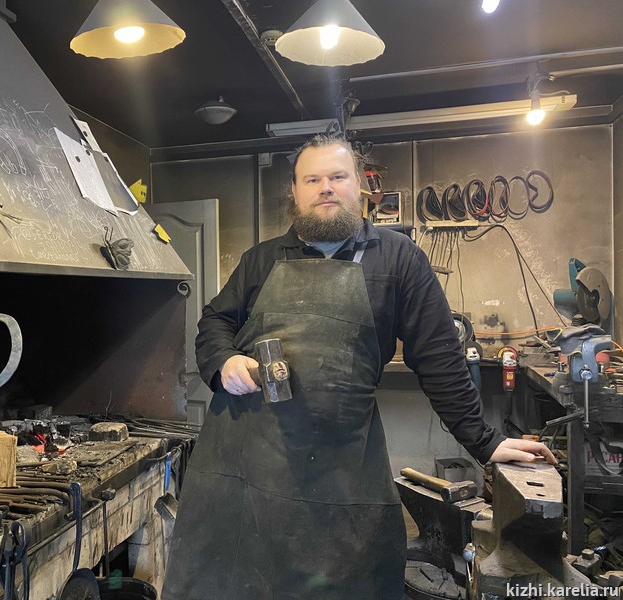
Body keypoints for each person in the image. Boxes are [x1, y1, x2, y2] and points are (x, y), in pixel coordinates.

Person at [161, 134, 556, 600]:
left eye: (337, 176)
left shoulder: (398, 258)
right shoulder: (261, 260)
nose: (325, 187)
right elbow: (214, 322)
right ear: (295, 192)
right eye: (312, 179)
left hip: (342, 465)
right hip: (249, 461)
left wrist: (485, 442)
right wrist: (224, 360)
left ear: (360, 187)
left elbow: (438, 357)